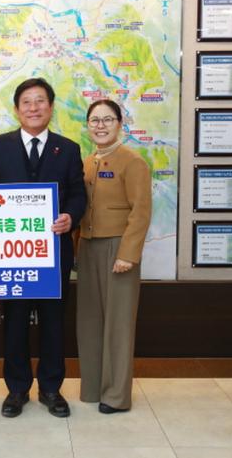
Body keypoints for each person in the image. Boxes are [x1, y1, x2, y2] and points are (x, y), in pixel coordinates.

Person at [0, 78, 86, 418]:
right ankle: (16, 390)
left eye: (40, 101)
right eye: (26, 102)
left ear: (51, 107)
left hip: (54, 253)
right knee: (14, 322)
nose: (33, 107)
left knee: (53, 323)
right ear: (17, 109)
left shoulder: (67, 148)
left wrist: (70, 217)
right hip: (13, 255)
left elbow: (77, 193)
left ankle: (51, 389)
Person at [76, 99, 152, 414]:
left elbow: (141, 211)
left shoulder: (132, 161)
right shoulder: (87, 162)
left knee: (118, 325)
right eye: (95, 120)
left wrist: (128, 254)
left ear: (120, 123)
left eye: (108, 119)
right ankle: (93, 388)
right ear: (88, 125)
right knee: (90, 322)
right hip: (89, 247)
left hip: (118, 250)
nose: (101, 126)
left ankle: (116, 396)